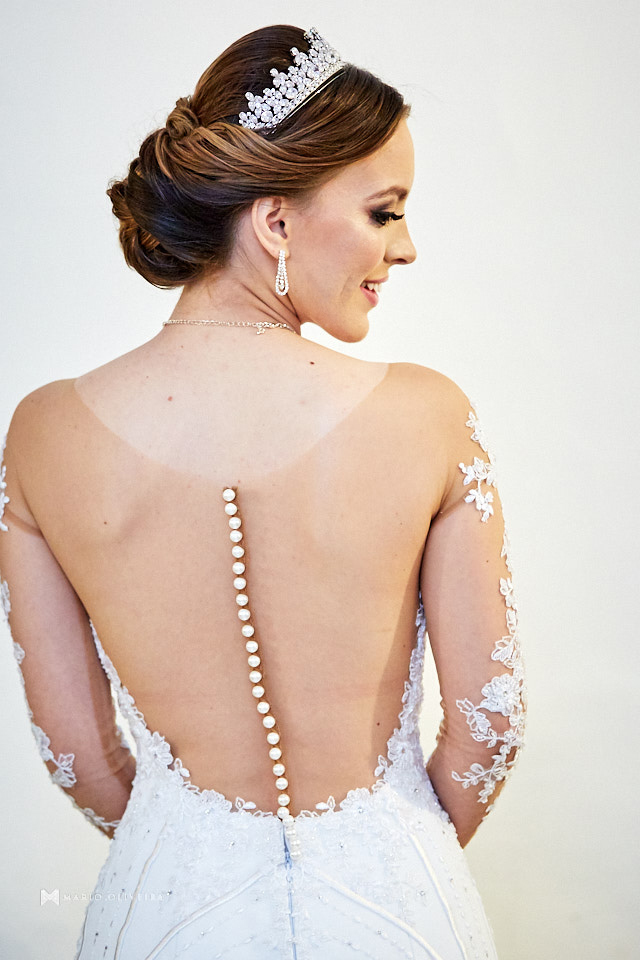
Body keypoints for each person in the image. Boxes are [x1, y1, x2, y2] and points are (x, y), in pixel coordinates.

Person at [0, 24, 526, 960]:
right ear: (275, 223)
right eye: (384, 212)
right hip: (402, 913)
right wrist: (390, 855)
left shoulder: (45, 434)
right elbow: (492, 723)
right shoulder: (427, 415)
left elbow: (74, 753)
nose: (406, 248)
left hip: (163, 916)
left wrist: (188, 852)